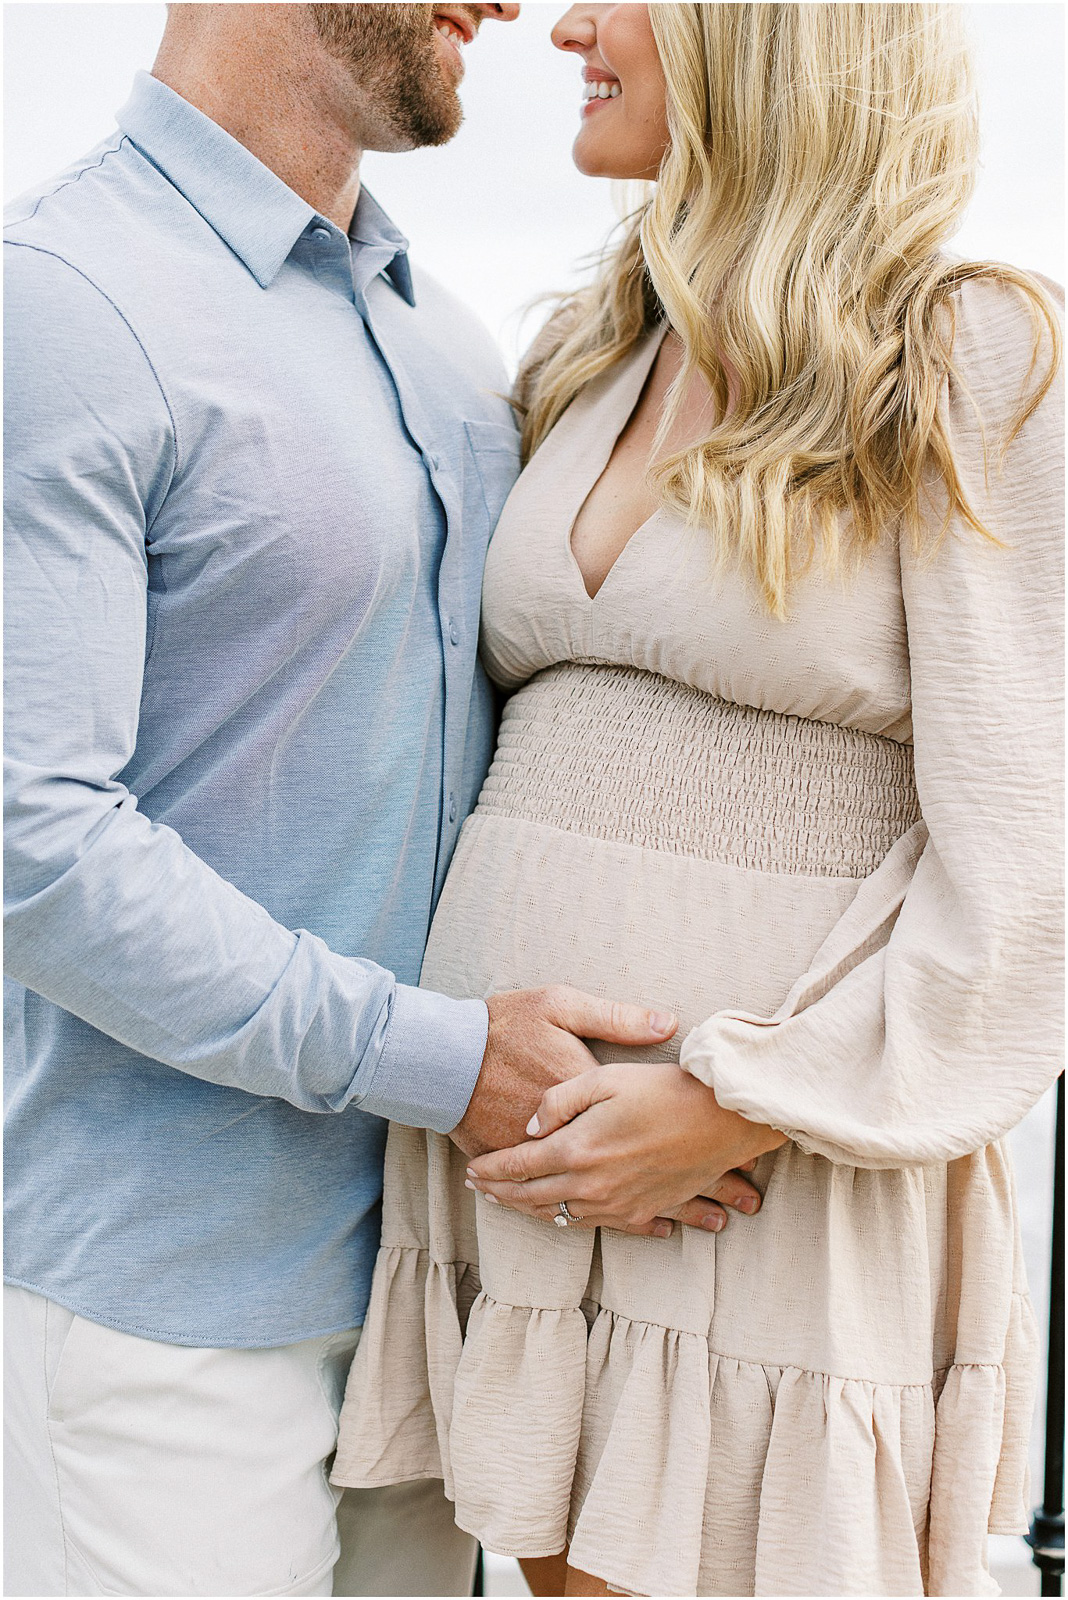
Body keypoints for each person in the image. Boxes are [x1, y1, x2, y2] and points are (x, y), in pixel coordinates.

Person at [3, 4, 770, 1594]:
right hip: (168, 1312)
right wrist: (437, 1060)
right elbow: (32, 843)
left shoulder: (451, 345)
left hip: (440, 1287)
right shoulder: (61, 304)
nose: (509, 7)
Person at [332, 4, 1065, 1596]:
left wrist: (737, 1101)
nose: (571, 25)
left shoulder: (967, 349)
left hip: (752, 1189)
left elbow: (1031, 859)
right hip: (525, 1180)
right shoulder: (589, 354)